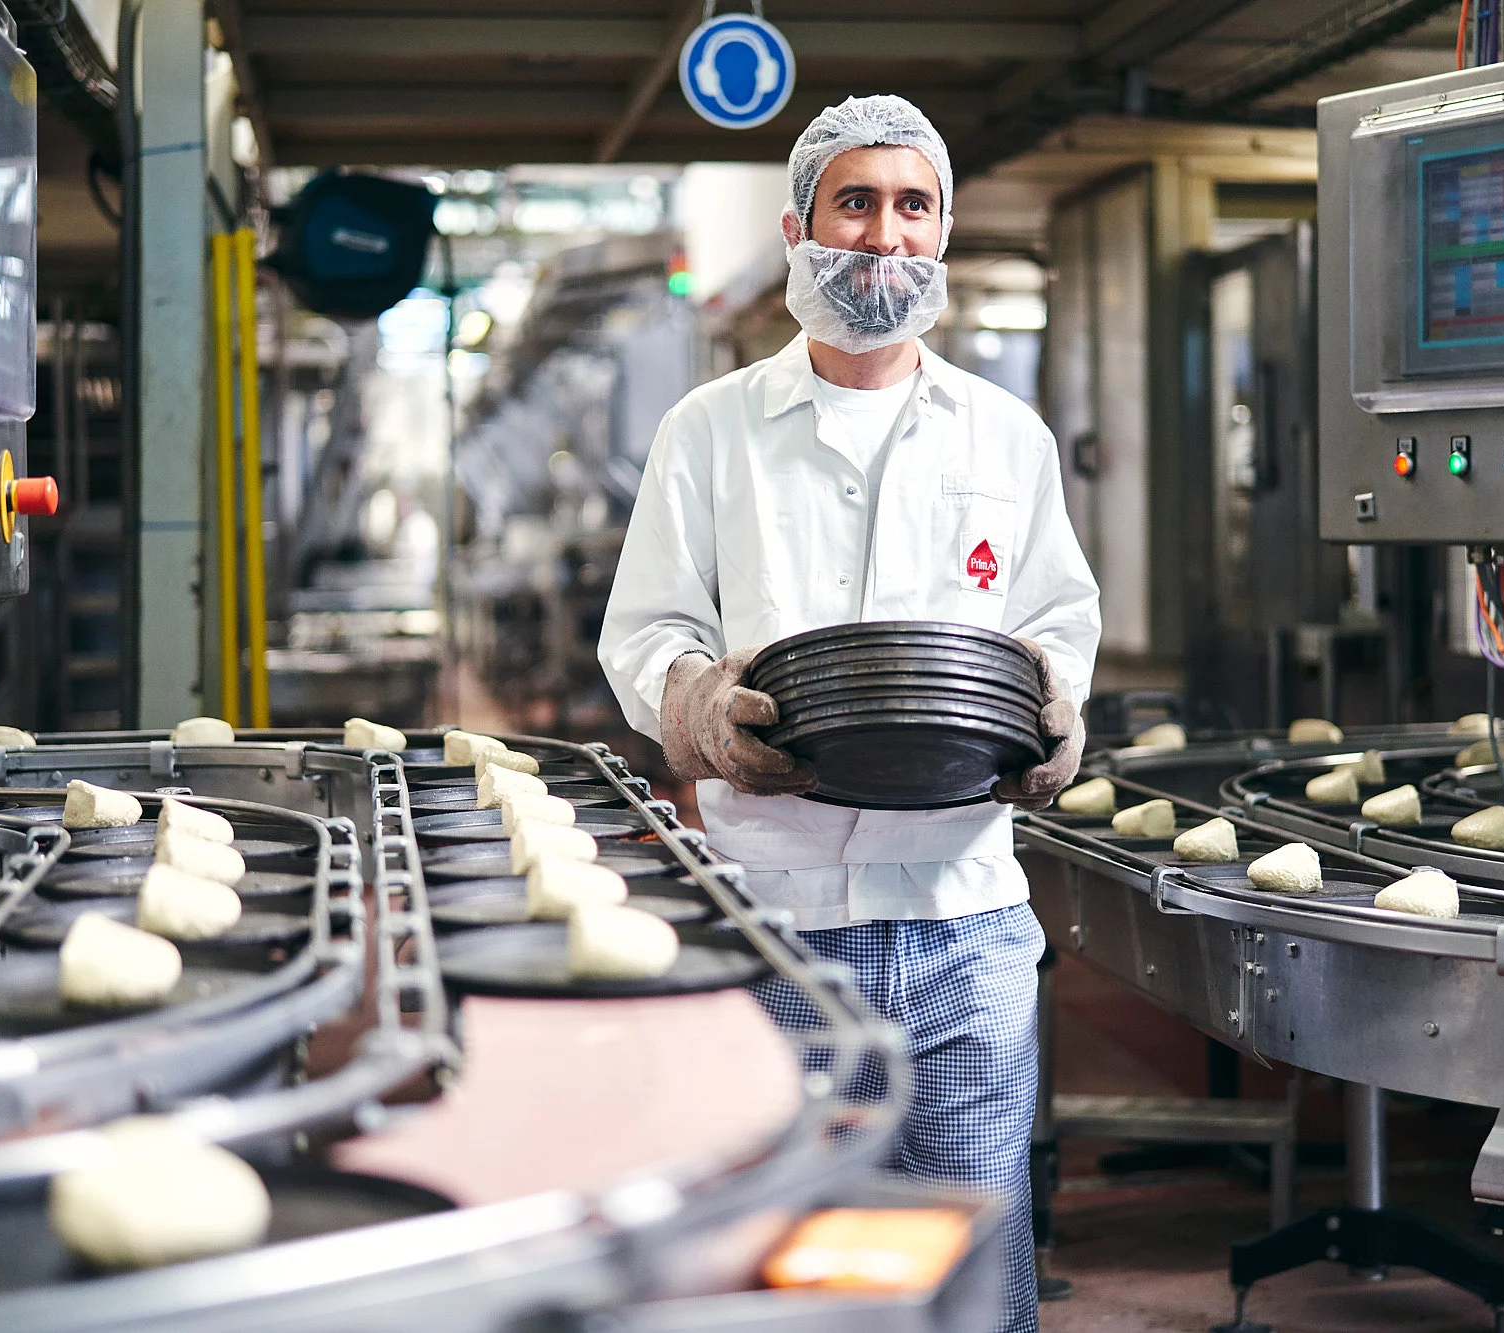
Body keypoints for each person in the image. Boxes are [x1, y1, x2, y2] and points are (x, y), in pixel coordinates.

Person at [599, 94, 1100, 1331]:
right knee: (791, 1259)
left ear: (942, 232)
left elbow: (1054, 620)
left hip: (963, 915)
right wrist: (699, 705)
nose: (884, 235)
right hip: (778, 917)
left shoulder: (1005, 435)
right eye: (856, 204)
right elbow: (646, 629)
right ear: (797, 228)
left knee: (972, 1258)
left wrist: (1055, 710)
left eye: (912, 206)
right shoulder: (710, 430)